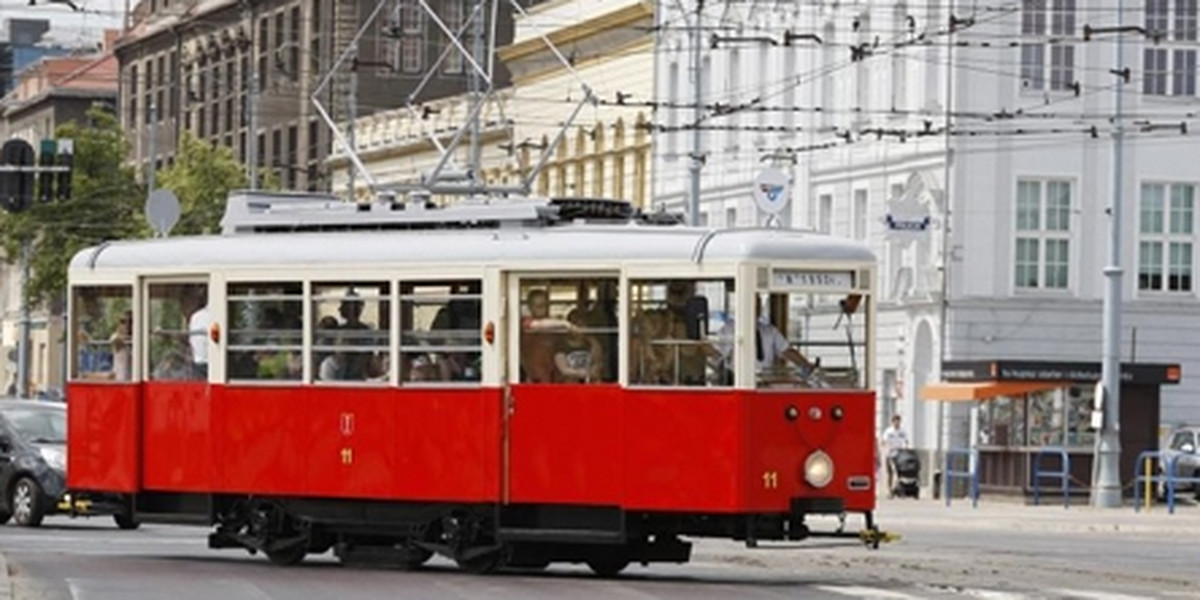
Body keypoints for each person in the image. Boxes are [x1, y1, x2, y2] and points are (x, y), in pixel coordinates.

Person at [554, 311, 604, 383]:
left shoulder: (592, 343)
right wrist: (583, 373)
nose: (580, 329)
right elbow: (564, 370)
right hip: (568, 387)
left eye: (583, 325)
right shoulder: (561, 345)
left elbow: (597, 365)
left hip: (588, 386)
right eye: (577, 325)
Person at [881, 414, 910, 496]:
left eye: (898, 421)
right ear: (892, 422)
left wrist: (905, 449)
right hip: (890, 454)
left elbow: (906, 441)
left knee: (899, 473)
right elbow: (883, 441)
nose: (897, 423)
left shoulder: (903, 431)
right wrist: (886, 447)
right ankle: (890, 489)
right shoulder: (889, 431)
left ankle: (898, 489)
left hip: (900, 454)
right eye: (895, 421)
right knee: (890, 473)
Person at [110, 310, 133, 381]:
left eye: (131, 321)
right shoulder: (116, 337)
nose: (127, 325)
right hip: (121, 382)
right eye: (123, 322)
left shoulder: (139, 340)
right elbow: (116, 341)